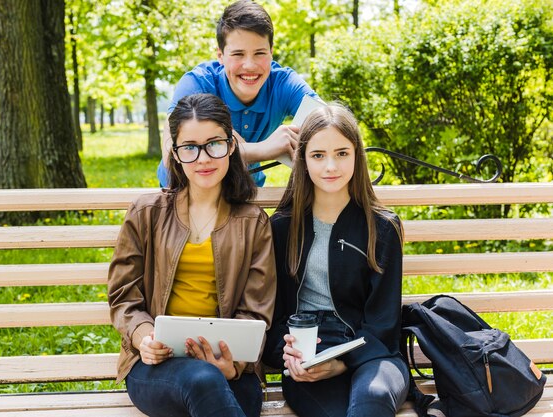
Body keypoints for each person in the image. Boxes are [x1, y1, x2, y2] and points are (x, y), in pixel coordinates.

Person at [108, 93, 276, 417]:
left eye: (214, 144)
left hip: (229, 368)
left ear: (231, 146)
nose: (203, 159)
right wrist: (144, 337)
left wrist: (233, 364)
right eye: (190, 147)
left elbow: (257, 310)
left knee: (215, 386)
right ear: (175, 153)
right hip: (156, 366)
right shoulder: (147, 213)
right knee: (202, 381)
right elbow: (123, 296)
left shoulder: (254, 223)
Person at [263, 104, 409, 417]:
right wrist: (288, 354)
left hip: (373, 354)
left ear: (357, 155)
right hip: (309, 356)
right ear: (302, 159)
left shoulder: (382, 227)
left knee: (372, 400)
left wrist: (342, 362)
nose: (331, 166)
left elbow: (384, 323)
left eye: (342, 153)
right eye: (318, 155)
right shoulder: (282, 227)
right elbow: (273, 318)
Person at [157, 0, 319, 188]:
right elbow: (172, 152)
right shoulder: (197, 82)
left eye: (260, 53)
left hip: (244, 192)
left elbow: (330, 123)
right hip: (184, 192)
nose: (250, 65)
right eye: (238, 54)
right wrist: (262, 149)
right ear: (221, 56)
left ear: (271, 53)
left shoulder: (284, 83)